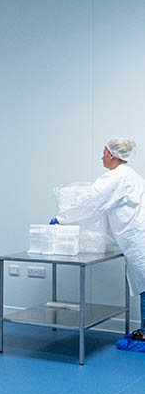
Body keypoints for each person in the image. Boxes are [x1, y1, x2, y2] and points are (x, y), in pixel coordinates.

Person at [50, 137, 145, 329]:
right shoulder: (131, 175)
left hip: (137, 239)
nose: (101, 157)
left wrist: (62, 218)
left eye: (104, 152)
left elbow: (91, 200)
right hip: (137, 236)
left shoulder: (115, 177)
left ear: (111, 154)